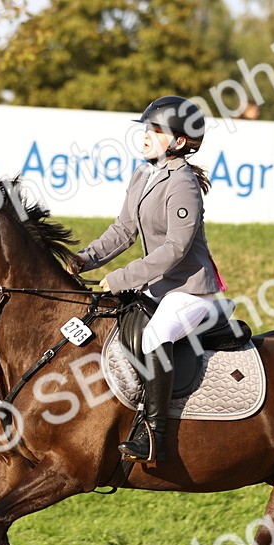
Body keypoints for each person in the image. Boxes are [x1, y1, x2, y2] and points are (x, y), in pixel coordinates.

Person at [70, 95, 226, 464]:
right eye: (146, 128)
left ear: (180, 141)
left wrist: (122, 277)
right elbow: (123, 229)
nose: (146, 135)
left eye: (156, 130)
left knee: (156, 336)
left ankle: (154, 434)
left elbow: (176, 248)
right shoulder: (143, 174)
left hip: (191, 291)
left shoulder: (183, 183)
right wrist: (83, 260)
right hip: (156, 287)